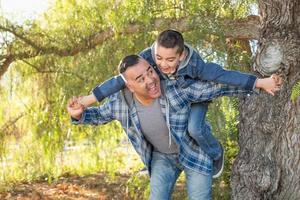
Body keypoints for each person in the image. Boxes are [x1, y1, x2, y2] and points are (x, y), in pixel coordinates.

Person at [67, 55, 281, 199]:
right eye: (140, 79)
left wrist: (259, 84)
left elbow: (216, 87)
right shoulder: (120, 103)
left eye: (150, 71)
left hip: (193, 150)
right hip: (162, 157)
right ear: (129, 86)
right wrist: (79, 114)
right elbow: (98, 115)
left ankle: (216, 153)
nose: (150, 79)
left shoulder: (174, 89)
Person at [76, 30, 280, 178]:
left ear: (181, 56)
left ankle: (216, 153)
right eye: (159, 58)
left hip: (196, 94)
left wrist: (260, 82)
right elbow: (119, 80)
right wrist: (88, 100)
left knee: (194, 128)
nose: (163, 65)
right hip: (175, 99)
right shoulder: (146, 57)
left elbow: (223, 76)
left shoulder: (196, 66)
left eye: (170, 60)